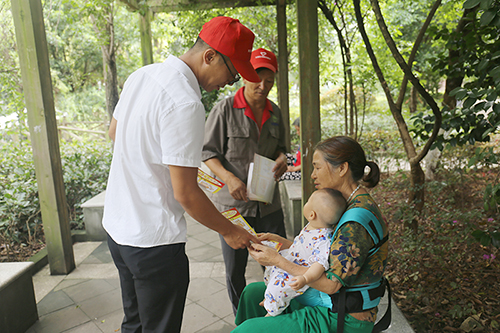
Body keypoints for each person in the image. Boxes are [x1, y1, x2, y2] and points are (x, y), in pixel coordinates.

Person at [102, 16, 262, 333]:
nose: (230, 83)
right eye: (233, 74)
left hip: (119, 230)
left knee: (133, 322)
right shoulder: (186, 102)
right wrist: (230, 231)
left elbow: (114, 133)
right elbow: (186, 194)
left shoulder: (142, 75)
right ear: (210, 56)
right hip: (154, 242)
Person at [233, 136, 389, 333]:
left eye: (317, 167)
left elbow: (331, 286)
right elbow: (323, 255)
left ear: (342, 169)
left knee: (246, 330)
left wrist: (277, 260)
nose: (313, 175)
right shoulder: (350, 202)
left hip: (343, 315)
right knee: (252, 294)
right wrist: (282, 244)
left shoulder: (354, 223)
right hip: (331, 300)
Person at [202, 47, 288, 315]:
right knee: (235, 269)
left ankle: (277, 313)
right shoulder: (224, 109)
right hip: (234, 208)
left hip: (268, 205)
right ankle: (243, 319)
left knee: (279, 263)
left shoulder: (275, 113)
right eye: (257, 78)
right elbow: (208, 153)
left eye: (269, 81)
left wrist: (283, 159)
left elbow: (282, 150)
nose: (263, 86)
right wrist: (229, 178)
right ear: (245, 75)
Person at [263, 188, 347, 317]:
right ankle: (269, 299)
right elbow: (302, 246)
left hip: (299, 272)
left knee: (278, 288)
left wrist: (305, 278)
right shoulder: (313, 225)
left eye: (308, 202)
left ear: (312, 214)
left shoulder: (323, 240)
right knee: (271, 272)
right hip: (293, 258)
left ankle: (271, 312)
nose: (305, 204)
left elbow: (319, 264)